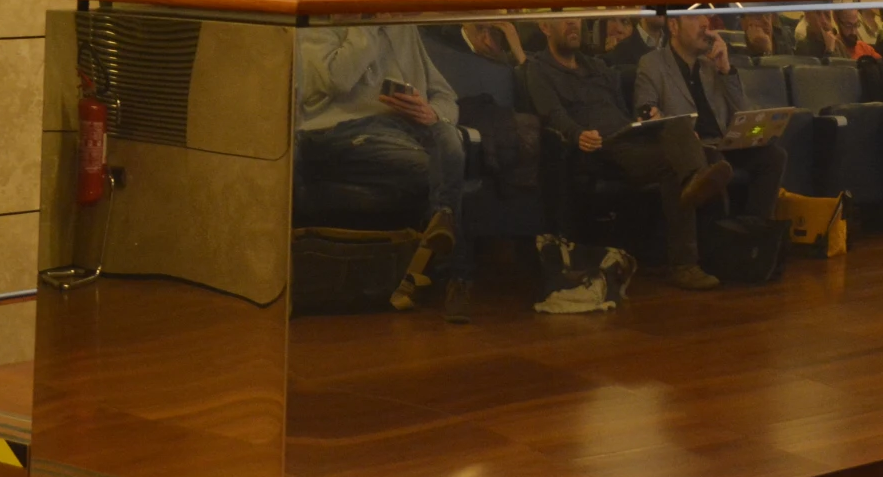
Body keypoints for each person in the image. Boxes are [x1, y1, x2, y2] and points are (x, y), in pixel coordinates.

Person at [522, 17, 730, 290]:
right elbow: (552, 114)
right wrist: (577, 134)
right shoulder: (538, 69)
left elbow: (623, 109)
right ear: (545, 27)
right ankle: (686, 261)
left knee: (682, 127)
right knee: (684, 163)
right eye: (565, 21)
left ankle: (715, 243)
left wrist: (647, 122)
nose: (574, 25)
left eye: (577, 20)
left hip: (628, 135)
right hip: (598, 146)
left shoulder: (596, 66)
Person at [295, 26, 471, 320]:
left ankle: (443, 218)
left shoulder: (404, 29)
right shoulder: (317, 27)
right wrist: (370, 26)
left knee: (451, 144)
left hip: (409, 129)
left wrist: (430, 112)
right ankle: (457, 277)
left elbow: (446, 95)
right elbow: (338, 79)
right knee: (436, 171)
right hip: (347, 130)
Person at [633, 16, 787, 221]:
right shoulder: (652, 63)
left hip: (722, 143)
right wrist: (677, 129)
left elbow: (741, 111)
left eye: (706, 17)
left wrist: (726, 69)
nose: (705, 24)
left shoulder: (711, 64)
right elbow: (646, 113)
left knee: (774, 155)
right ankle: (721, 239)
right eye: (695, 18)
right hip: (694, 149)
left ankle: (753, 232)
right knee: (715, 164)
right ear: (673, 26)